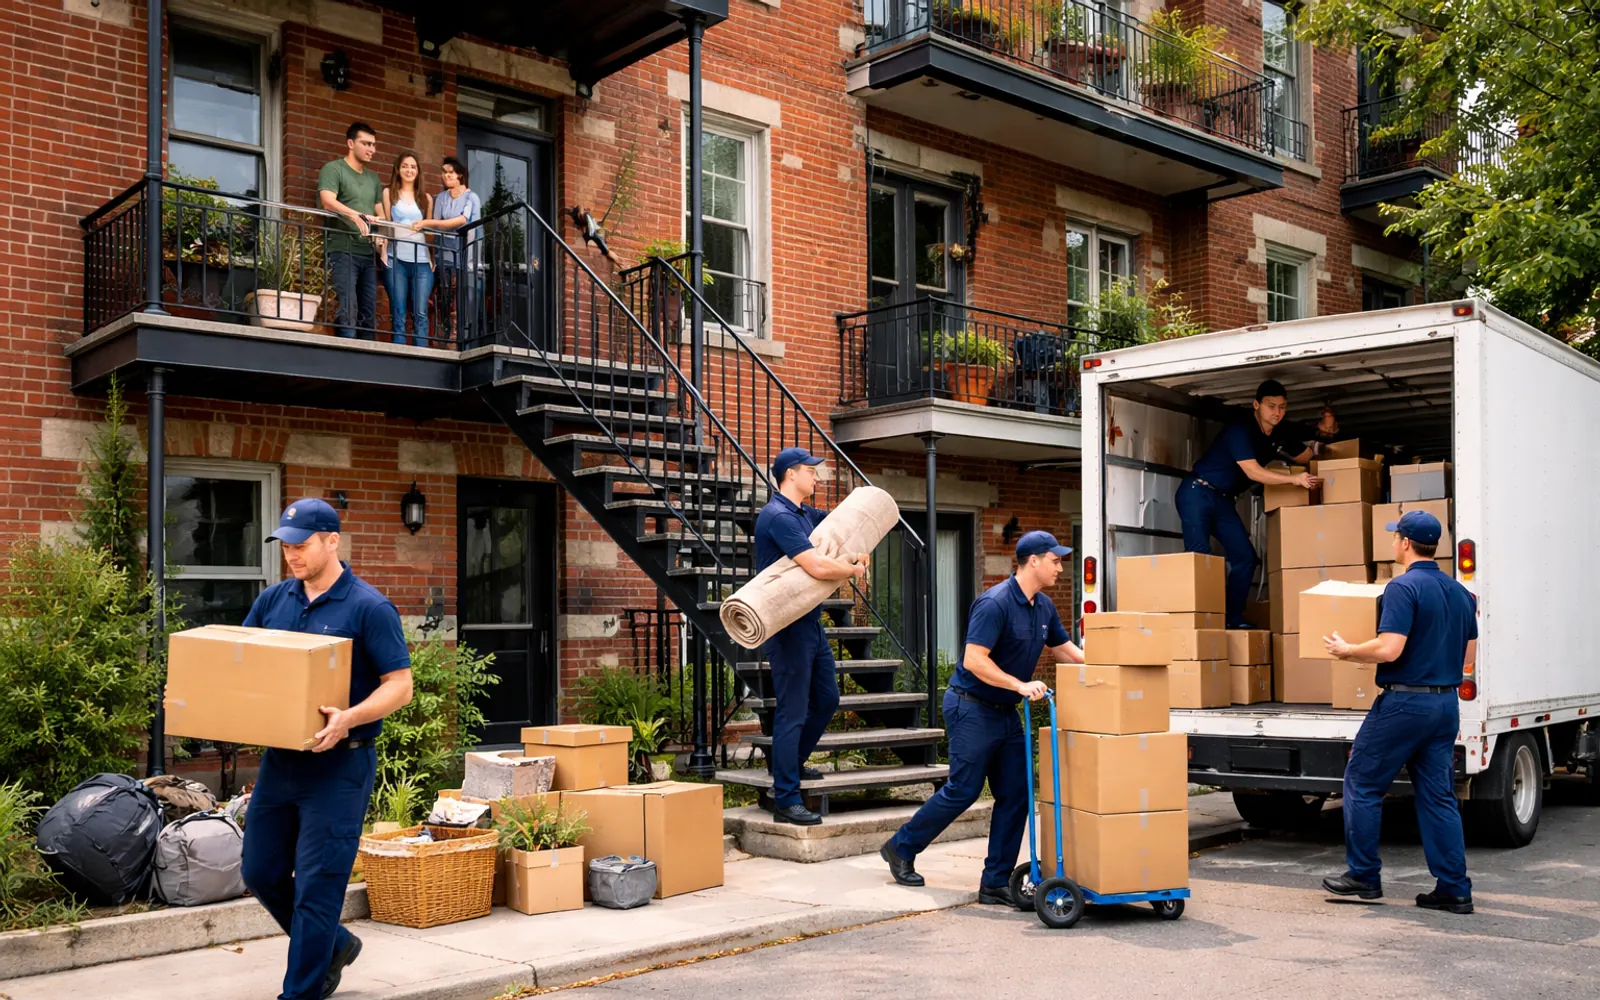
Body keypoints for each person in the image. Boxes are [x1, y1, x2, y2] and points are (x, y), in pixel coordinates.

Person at [239, 499, 414, 999]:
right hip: (281, 761)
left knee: (318, 884)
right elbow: (240, 665)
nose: (292, 555)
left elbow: (399, 685)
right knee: (260, 870)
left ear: (332, 541)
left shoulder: (368, 606)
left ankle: (301, 993)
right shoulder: (274, 602)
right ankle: (334, 945)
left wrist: (350, 717)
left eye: (302, 545)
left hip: (341, 764)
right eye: (286, 546)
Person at [882, 531, 1086, 903]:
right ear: (1034, 561)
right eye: (1055, 559)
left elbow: (1064, 649)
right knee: (963, 790)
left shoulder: (1043, 607)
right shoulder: (995, 603)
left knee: (1016, 794)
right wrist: (1019, 685)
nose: (1061, 565)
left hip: (1004, 710)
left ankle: (994, 881)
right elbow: (974, 660)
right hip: (971, 706)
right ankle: (901, 847)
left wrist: (1112, 667)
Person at [1322, 510, 1476, 914]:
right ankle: (1454, 888)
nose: (1393, 544)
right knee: (1438, 795)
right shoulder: (1461, 594)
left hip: (1405, 702)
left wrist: (1348, 650)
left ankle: (1363, 875)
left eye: (1395, 538)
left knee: (1362, 781)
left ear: (1405, 543)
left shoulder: (1402, 588)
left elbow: (1390, 648)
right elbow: (1469, 658)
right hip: (1445, 703)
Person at [753, 446, 868, 826]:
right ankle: (786, 798)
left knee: (827, 698)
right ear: (790, 475)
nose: (817, 477)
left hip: (810, 621)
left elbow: (843, 527)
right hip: (786, 626)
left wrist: (859, 551)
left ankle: (790, 763)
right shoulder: (778, 517)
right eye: (811, 471)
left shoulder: (804, 515)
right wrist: (850, 570)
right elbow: (817, 566)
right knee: (793, 710)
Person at [1178, 379, 1338, 628]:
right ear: (1256, 405)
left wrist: (1324, 435)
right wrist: (1294, 480)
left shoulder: (1280, 433)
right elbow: (1253, 471)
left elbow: (1306, 455)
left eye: (1282, 407)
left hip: (1222, 500)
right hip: (1197, 492)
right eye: (1271, 406)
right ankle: (1200, 624)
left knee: (1246, 558)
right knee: (1200, 557)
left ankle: (1232, 619)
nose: (1277, 412)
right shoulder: (1241, 430)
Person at [318, 123, 385, 339]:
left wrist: (380, 231)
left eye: (374, 145)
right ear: (350, 143)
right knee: (347, 305)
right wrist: (355, 215)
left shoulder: (373, 178)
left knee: (368, 309)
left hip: (367, 252)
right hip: (341, 250)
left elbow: (380, 213)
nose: (371, 149)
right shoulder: (334, 169)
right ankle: (347, 355)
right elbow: (327, 201)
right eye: (366, 144)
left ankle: (368, 361)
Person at [412, 156, 480, 343]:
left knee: (460, 306)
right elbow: (437, 228)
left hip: (465, 258)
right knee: (444, 301)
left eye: (450, 172)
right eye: (443, 172)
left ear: (460, 175)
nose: (446, 176)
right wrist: (433, 254)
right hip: (444, 257)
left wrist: (426, 222)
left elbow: (462, 221)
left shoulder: (470, 197)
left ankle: (459, 343)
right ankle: (444, 340)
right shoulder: (441, 198)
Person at [380, 152, 434, 347]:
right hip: (396, 260)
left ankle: (422, 356)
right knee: (398, 311)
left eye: (413, 167)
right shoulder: (389, 193)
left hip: (421, 262)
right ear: (398, 169)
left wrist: (431, 259)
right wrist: (383, 249)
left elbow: (428, 234)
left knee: (420, 313)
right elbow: (387, 224)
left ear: (418, 171)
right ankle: (399, 355)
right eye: (405, 166)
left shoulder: (426, 198)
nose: (409, 170)